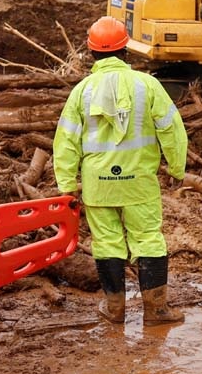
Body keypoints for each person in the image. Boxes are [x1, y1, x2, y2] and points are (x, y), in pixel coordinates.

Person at [54, 18, 188, 325]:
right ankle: (156, 311)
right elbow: (172, 129)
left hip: (98, 184)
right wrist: (176, 167)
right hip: (138, 182)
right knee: (148, 239)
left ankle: (114, 309)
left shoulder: (82, 91)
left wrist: (66, 185)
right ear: (125, 49)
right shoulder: (148, 85)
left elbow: (66, 142)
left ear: (91, 53)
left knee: (107, 242)